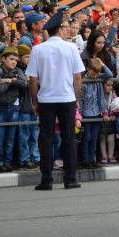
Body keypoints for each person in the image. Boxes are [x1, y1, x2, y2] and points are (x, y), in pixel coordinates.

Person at [26, 11, 86, 190]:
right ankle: (70, 179)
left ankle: (46, 180)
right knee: (69, 138)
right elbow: (77, 77)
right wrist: (76, 99)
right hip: (67, 97)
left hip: (46, 98)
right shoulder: (71, 48)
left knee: (46, 139)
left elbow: (33, 79)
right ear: (59, 30)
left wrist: (35, 101)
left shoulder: (38, 49)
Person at [0, 47, 27, 172]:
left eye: (16, 59)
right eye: (11, 59)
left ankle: (7, 162)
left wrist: (7, 80)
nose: (14, 62)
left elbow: (24, 83)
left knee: (10, 138)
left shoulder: (18, 70)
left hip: (13, 107)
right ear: (3, 59)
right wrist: (13, 81)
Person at [78, 58, 112, 168]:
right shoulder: (83, 82)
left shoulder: (98, 80)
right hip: (86, 113)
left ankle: (92, 158)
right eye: (93, 74)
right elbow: (81, 100)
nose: (95, 76)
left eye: (97, 74)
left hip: (96, 112)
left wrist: (102, 64)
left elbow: (109, 74)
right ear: (88, 70)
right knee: (86, 136)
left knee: (94, 137)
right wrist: (80, 115)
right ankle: (85, 158)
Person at [16, 45, 39, 171]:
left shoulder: (32, 69)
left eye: (30, 56)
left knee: (34, 134)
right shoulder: (17, 70)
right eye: (26, 57)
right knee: (24, 135)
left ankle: (34, 157)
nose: (29, 59)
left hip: (33, 107)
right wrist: (24, 80)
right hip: (23, 107)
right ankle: (24, 159)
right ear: (19, 58)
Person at [99, 80, 118, 164]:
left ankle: (110, 156)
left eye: (112, 85)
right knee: (102, 138)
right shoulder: (99, 94)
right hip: (103, 119)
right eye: (108, 85)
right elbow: (100, 105)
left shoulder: (113, 94)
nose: (111, 87)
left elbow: (116, 105)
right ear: (103, 86)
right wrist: (104, 115)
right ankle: (104, 156)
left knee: (111, 139)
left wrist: (114, 114)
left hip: (111, 119)